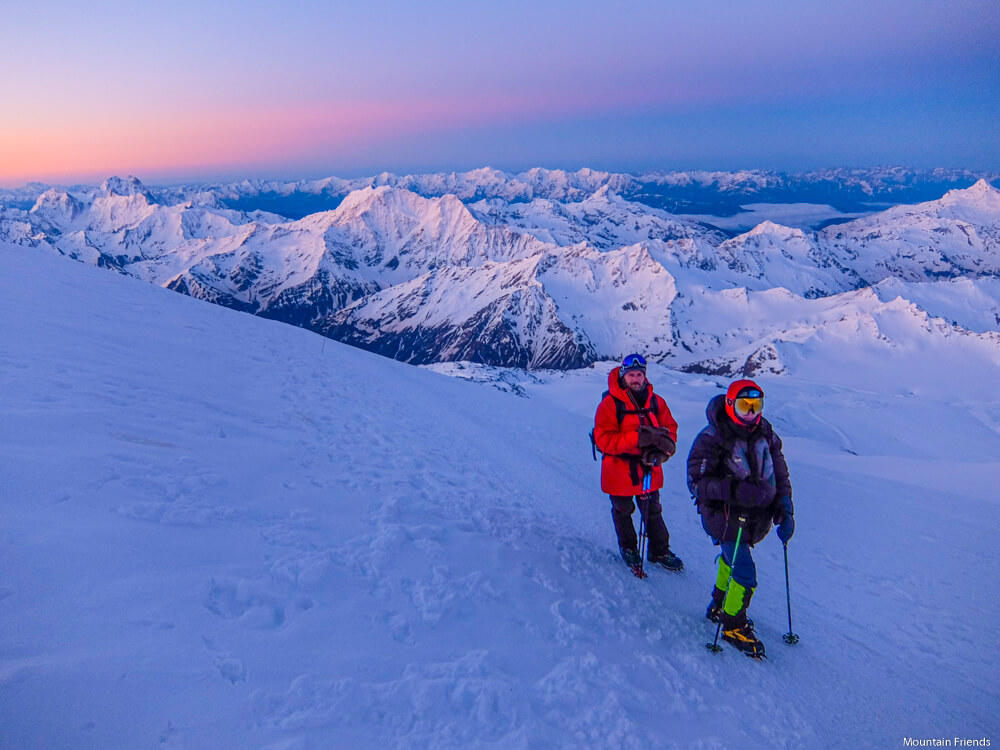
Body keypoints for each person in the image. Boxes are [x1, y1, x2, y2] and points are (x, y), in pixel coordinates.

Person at [686, 379, 794, 658]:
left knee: (730, 560)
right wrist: (734, 491)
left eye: (756, 405)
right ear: (730, 404)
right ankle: (733, 624)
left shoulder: (765, 433)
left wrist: (785, 505)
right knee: (745, 573)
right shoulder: (713, 437)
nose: (751, 412)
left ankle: (718, 604)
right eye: (745, 405)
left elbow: (779, 472)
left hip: (757, 516)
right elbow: (696, 482)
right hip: (724, 516)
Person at [593, 353, 683, 572]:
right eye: (631, 375)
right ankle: (629, 548)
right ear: (624, 376)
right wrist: (637, 438)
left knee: (652, 510)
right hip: (619, 469)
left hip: (648, 467)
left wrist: (664, 449)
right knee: (623, 510)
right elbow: (603, 439)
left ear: (645, 376)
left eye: (639, 375)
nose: (635, 379)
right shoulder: (610, 404)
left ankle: (659, 550)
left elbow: (671, 428)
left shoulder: (656, 402)